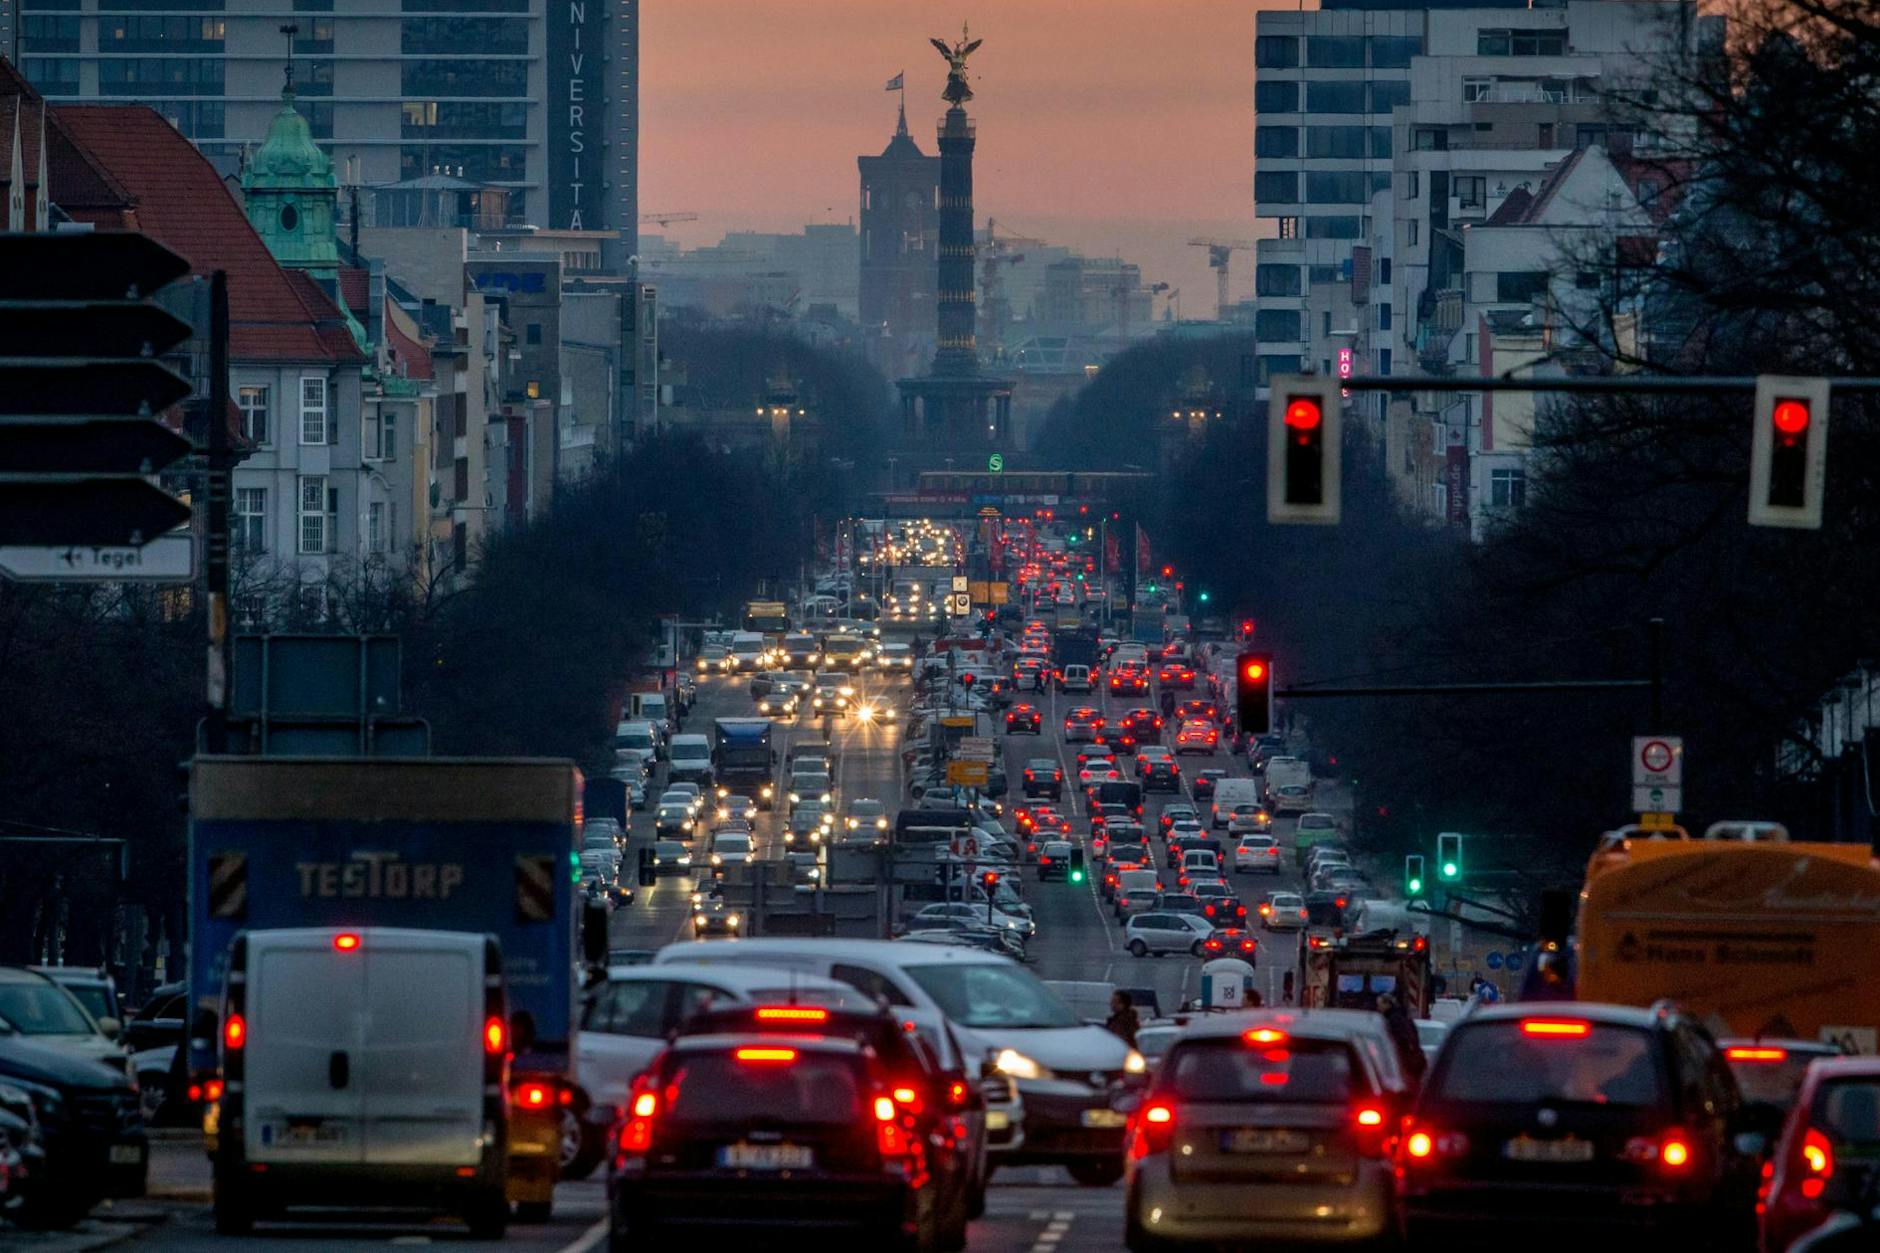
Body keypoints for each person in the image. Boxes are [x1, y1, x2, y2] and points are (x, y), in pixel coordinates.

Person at [1376, 993, 1427, 1083]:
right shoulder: (1404, 1018)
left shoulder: (1393, 1021)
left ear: (1387, 1004)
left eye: (1380, 1005)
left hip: (1404, 1063)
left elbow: (1398, 1040)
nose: (1378, 1008)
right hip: (1414, 1061)